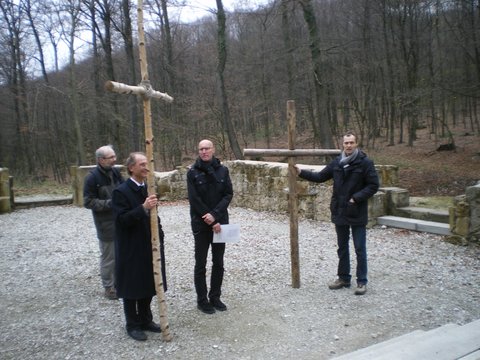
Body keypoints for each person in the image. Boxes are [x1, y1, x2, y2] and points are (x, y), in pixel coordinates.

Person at [295, 131, 379, 295]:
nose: (348, 145)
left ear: (356, 144)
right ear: (343, 144)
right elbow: (320, 176)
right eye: (346, 143)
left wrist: (356, 198)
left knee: (359, 248)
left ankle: (361, 281)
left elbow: (373, 185)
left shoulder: (365, 163)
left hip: (356, 211)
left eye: (351, 142)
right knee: (342, 247)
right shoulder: (337, 163)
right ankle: (344, 278)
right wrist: (301, 172)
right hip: (340, 211)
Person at [111, 152, 167, 341]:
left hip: (149, 245)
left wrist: (160, 236)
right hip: (131, 247)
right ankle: (132, 324)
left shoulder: (148, 188)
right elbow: (121, 220)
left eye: (147, 164)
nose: (146, 167)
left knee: (148, 282)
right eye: (142, 164)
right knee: (132, 286)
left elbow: (154, 217)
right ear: (131, 168)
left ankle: (145, 319)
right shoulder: (121, 191)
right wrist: (142, 208)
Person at [187, 139, 233, 314]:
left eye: (207, 148)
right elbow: (194, 199)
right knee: (200, 263)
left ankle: (215, 296)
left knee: (218, 262)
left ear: (213, 149)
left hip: (221, 223)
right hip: (201, 224)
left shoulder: (223, 170)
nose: (204, 151)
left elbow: (228, 194)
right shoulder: (192, 172)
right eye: (201, 149)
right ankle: (202, 299)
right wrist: (210, 218)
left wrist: (215, 215)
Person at [84, 145, 124, 300]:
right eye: (111, 158)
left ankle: (119, 282)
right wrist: (110, 204)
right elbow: (88, 202)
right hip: (105, 224)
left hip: (120, 220)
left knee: (120, 254)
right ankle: (109, 287)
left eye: (114, 156)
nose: (114, 160)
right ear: (101, 160)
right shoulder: (92, 178)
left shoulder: (115, 172)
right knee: (109, 257)